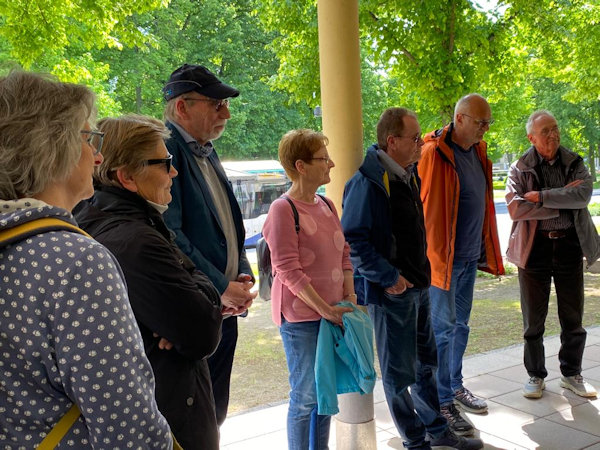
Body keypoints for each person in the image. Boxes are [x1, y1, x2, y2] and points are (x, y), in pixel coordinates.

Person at [0, 71, 172, 448]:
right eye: (88, 137)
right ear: (52, 146)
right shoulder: (75, 261)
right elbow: (130, 431)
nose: (98, 156)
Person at [74, 115, 224, 449]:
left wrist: (193, 299)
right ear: (127, 177)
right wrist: (198, 297)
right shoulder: (136, 240)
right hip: (170, 415)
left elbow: (198, 312)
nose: (175, 172)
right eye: (165, 163)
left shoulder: (105, 220)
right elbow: (203, 331)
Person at [342, 107, 483, 450]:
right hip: (393, 293)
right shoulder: (367, 182)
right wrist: (389, 277)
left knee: (426, 366)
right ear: (392, 141)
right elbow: (354, 241)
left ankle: (437, 431)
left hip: (419, 288)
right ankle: (414, 441)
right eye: (415, 138)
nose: (421, 143)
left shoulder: (408, 173)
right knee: (397, 375)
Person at [162, 63, 257, 425]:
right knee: (198, 420)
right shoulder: (165, 150)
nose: (226, 114)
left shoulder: (206, 149)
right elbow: (171, 235)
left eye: (225, 105)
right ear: (182, 107)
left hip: (223, 308)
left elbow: (229, 223)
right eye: (216, 104)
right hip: (196, 309)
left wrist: (242, 274)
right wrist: (221, 285)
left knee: (215, 411)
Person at [262, 129, 356, 450]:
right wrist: (326, 309)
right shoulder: (282, 209)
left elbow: (344, 254)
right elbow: (288, 270)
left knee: (324, 395)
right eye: (323, 159)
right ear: (300, 166)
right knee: (305, 398)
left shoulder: (326, 204)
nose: (331, 164)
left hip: (332, 315)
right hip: (302, 320)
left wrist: (349, 298)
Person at [418, 93, 504, 435]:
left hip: (468, 258)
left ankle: (453, 386)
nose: (485, 129)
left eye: (488, 123)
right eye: (481, 122)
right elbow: (422, 206)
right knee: (442, 330)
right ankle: (441, 402)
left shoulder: (478, 152)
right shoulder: (433, 153)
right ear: (460, 118)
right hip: (442, 261)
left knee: (460, 327)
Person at [506, 110, 599, 399]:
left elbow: (583, 195)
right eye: (545, 130)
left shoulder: (574, 162)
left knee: (573, 316)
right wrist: (562, 199)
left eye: (555, 128)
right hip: (534, 248)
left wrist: (543, 196)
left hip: (570, 245)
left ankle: (571, 374)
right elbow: (516, 208)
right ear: (531, 138)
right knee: (533, 319)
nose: (553, 134)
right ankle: (535, 375)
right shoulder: (519, 168)